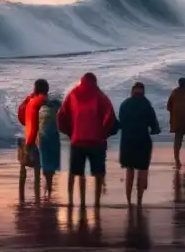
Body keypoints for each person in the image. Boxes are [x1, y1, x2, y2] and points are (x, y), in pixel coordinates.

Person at [57, 72, 116, 210]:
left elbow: (61, 116)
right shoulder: (100, 95)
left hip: (78, 140)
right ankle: (96, 202)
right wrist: (103, 133)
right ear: (95, 81)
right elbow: (110, 115)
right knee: (97, 173)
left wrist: (70, 133)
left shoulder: (73, 94)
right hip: (96, 141)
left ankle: (74, 201)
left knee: (76, 172)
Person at [117, 82, 161, 208]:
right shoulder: (146, 104)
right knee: (142, 170)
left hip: (127, 142)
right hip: (143, 141)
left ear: (132, 91)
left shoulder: (124, 104)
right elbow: (154, 126)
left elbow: (120, 123)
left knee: (129, 171)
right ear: (143, 92)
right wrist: (154, 130)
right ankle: (140, 201)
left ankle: (129, 201)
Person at [17, 79, 49, 199]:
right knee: (37, 169)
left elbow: (21, 118)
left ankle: (21, 196)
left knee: (23, 165)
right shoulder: (44, 102)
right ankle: (38, 198)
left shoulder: (28, 100)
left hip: (27, 137)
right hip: (39, 139)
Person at [38, 94, 63, 199]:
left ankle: (46, 188)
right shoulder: (56, 110)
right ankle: (48, 189)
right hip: (53, 138)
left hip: (42, 138)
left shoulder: (42, 110)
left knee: (45, 164)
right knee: (51, 166)